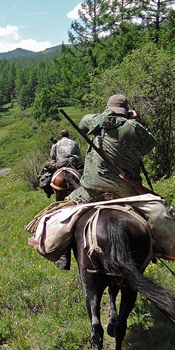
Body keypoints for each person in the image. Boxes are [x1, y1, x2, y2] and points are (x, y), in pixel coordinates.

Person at [54, 94, 155, 270]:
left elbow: (83, 123)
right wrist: (136, 121)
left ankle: (63, 255)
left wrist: (105, 115)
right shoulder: (134, 128)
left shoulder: (95, 120)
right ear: (126, 111)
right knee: (156, 214)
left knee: (64, 208)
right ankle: (156, 249)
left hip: (92, 189)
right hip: (127, 190)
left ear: (107, 108)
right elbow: (150, 144)